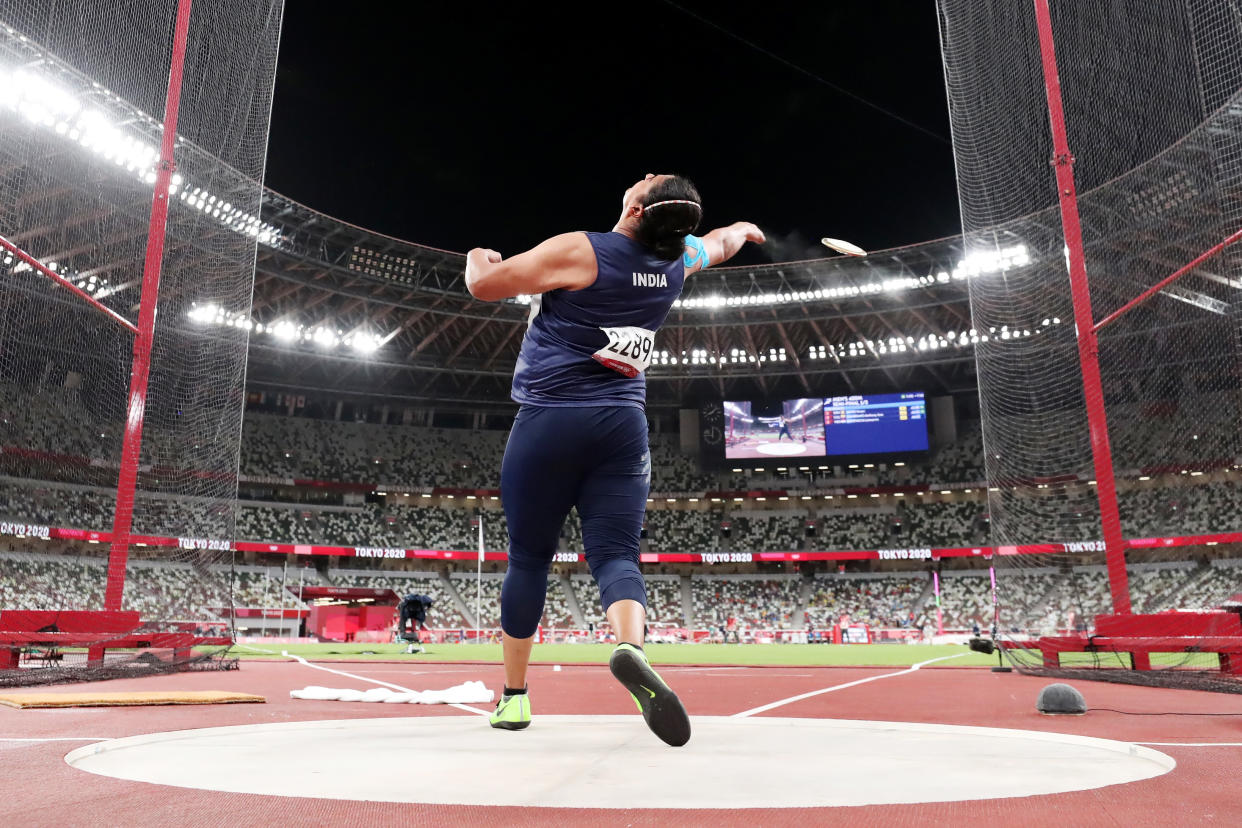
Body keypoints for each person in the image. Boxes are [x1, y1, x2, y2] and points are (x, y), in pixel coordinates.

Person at [465, 173, 763, 746]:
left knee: (529, 559)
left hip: (550, 421)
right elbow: (719, 243)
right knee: (617, 555)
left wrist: (479, 257)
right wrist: (741, 229)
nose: (646, 173)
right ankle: (629, 646)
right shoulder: (678, 261)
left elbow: (485, 286)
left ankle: (515, 699)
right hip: (623, 428)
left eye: (649, 178)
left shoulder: (582, 250)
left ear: (634, 204)